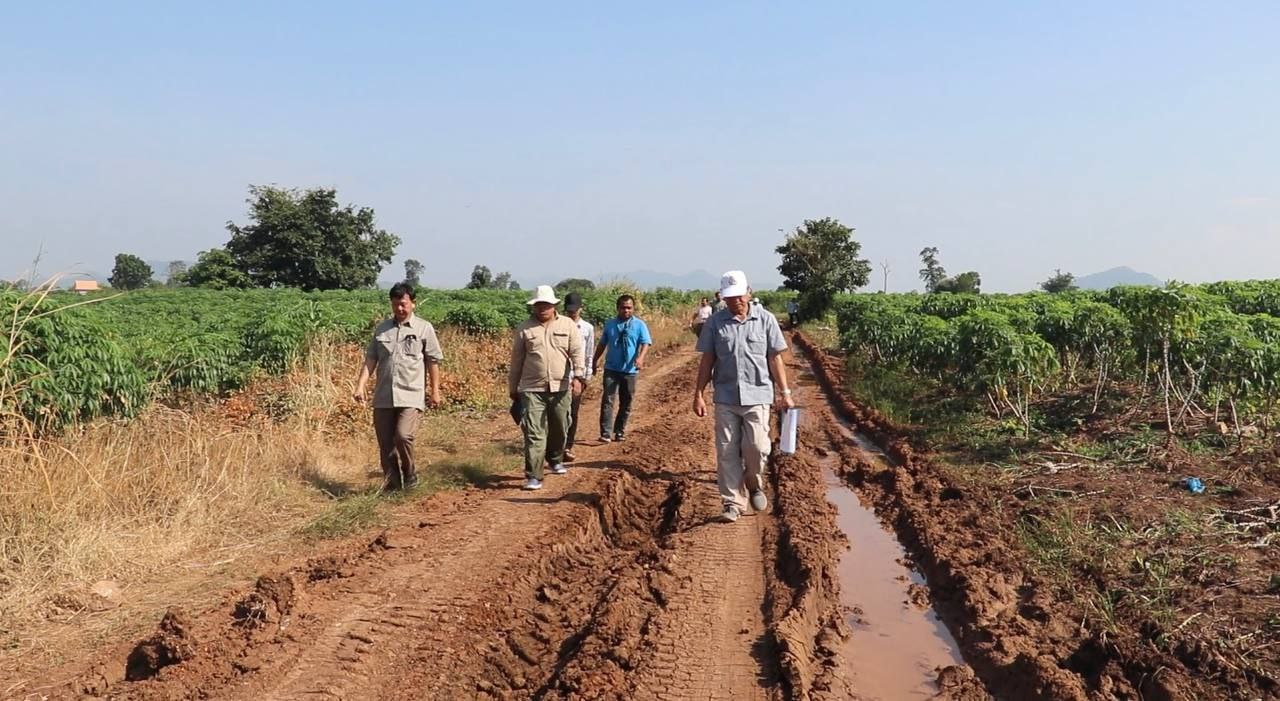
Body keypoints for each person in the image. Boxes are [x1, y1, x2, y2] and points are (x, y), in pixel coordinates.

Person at [693, 270, 793, 523]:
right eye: (729, 297)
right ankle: (732, 503)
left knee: (757, 448)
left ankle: (754, 483)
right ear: (722, 297)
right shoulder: (715, 323)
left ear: (749, 293)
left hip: (758, 395)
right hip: (725, 396)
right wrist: (699, 394)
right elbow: (707, 360)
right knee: (726, 451)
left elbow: (775, 358)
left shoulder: (766, 320)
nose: (735, 301)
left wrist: (785, 393)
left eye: (739, 296)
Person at [353, 282, 444, 491]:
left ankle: (410, 473)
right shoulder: (382, 329)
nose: (399, 309)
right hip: (384, 395)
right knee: (386, 443)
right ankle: (391, 486)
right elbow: (371, 359)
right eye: (395, 305)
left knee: (403, 436)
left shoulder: (424, 328)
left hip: (411, 393)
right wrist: (360, 386)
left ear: (413, 303)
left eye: (403, 304)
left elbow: (433, 361)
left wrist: (435, 391)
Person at [509, 285, 586, 490]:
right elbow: (516, 361)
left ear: (554, 306)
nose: (542, 308)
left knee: (560, 426)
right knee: (534, 432)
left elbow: (577, 352)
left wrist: (578, 377)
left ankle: (555, 458)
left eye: (546, 305)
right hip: (532, 388)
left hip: (560, 386)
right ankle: (534, 475)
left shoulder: (567, 325)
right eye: (539, 305)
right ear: (534, 306)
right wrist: (513, 387)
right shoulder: (524, 328)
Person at [592, 294, 652, 443]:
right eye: (623, 308)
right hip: (611, 368)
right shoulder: (610, 324)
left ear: (633, 308)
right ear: (617, 308)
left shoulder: (639, 325)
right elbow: (602, 344)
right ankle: (606, 433)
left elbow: (645, 343)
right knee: (608, 400)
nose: (626, 310)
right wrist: (594, 360)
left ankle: (619, 431)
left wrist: (641, 358)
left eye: (629, 308)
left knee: (626, 401)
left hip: (629, 370)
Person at [562, 292, 594, 463]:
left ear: (581, 308)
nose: (572, 313)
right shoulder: (558, 325)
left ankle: (568, 446)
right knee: (559, 414)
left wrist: (585, 377)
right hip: (559, 376)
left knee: (573, 413)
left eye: (574, 309)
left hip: (577, 376)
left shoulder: (587, 328)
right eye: (569, 310)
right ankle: (556, 445)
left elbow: (588, 354)